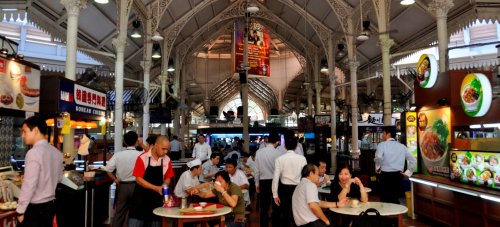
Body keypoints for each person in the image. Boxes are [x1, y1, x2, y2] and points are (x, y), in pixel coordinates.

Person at [16, 116, 63, 226]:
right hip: (50, 207)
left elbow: (29, 184)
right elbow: (59, 178)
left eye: (25, 131)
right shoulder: (57, 152)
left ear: (36, 130)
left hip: (35, 209)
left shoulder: (33, 153)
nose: (23, 135)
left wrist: (20, 210)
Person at [128, 136, 174, 226]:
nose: (165, 152)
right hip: (141, 198)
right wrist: (155, 188)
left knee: (155, 223)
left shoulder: (167, 160)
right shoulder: (142, 158)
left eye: (167, 149)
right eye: (163, 149)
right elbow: (139, 179)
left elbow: (168, 177)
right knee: (135, 223)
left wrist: (164, 186)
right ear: (156, 145)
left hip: (156, 199)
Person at [106, 131, 141, 227]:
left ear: (124, 142)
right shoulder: (140, 155)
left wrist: (115, 179)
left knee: (119, 212)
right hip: (137, 186)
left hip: (122, 187)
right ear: (136, 142)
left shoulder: (118, 155)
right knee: (136, 212)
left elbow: (108, 169)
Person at [272, 131, 307, 226]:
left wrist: (275, 194)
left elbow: (275, 177)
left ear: (285, 146)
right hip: (298, 188)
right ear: (296, 146)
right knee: (298, 212)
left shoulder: (279, 159)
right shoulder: (302, 159)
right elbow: (305, 176)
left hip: (284, 189)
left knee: (285, 213)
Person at [374, 126, 416, 204]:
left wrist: (377, 167)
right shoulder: (402, 147)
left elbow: (378, 157)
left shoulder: (382, 145)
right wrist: (408, 173)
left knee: (384, 200)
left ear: (388, 134)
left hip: (385, 176)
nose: (382, 135)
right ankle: (397, 216)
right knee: (395, 199)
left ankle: (386, 216)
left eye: (383, 133)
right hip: (398, 176)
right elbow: (413, 160)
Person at [254, 132, 283, 227]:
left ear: (267, 140)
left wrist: (256, 184)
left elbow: (256, 170)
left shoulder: (259, 152)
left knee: (264, 207)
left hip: (263, 182)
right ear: (277, 142)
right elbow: (281, 171)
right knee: (276, 206)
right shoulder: (278, 153)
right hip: (276, 181)